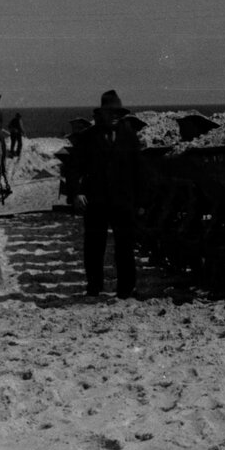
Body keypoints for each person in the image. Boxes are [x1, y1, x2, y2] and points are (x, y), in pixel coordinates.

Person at [65, 89, 141, 297]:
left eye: (118, 113)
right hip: (96, 200)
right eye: (111, 112)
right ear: (102, 114)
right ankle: (94, 286)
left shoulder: (129, 136)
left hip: (123, 200)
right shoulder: (88, 137)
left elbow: (139, 169)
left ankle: (126, 288)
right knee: (94, 246)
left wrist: (140, 200)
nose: (115, 116)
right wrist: (77, 193)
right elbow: (72, 168)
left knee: (125, 246)